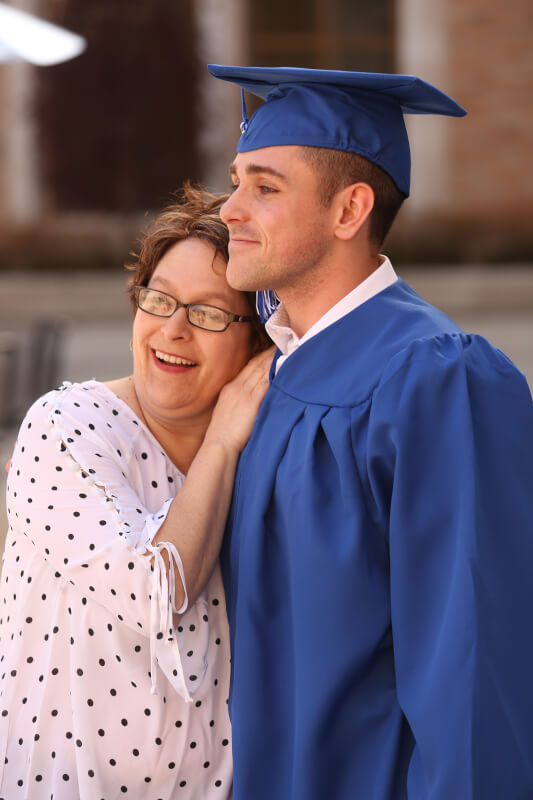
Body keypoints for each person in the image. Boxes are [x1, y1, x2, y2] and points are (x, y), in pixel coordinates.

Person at [207, 64, 533, 799]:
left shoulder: (435, 380)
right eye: (235, 180)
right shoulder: (276, 367)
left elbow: (473, 661)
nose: (228, 208)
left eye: (264, 186)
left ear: (349, 209)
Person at [0, 183, 272, 799]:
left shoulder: (271, 455)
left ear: (255, 344)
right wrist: (222, 443)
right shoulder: (65, 427)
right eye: (159, 299)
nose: (174, 329)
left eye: (207, 312)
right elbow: (158, 589)